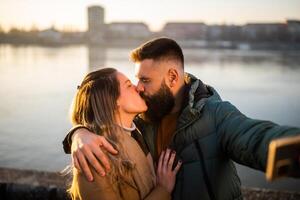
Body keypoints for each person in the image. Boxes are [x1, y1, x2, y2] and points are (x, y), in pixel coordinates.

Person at [63, 38, 300, 200]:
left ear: (173, 77)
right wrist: (78, 133)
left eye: (145, 81)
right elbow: (101, 118)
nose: (138, 88)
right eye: (135, 81)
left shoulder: (215, 114)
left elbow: (257, 138)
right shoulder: (143, 121)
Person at [67, 68, 181, 200]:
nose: (138, 88)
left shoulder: (136, 134)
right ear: (113, 100)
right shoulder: (95, 155)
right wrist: (163, 189)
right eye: (128, 85)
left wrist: (77, 132)